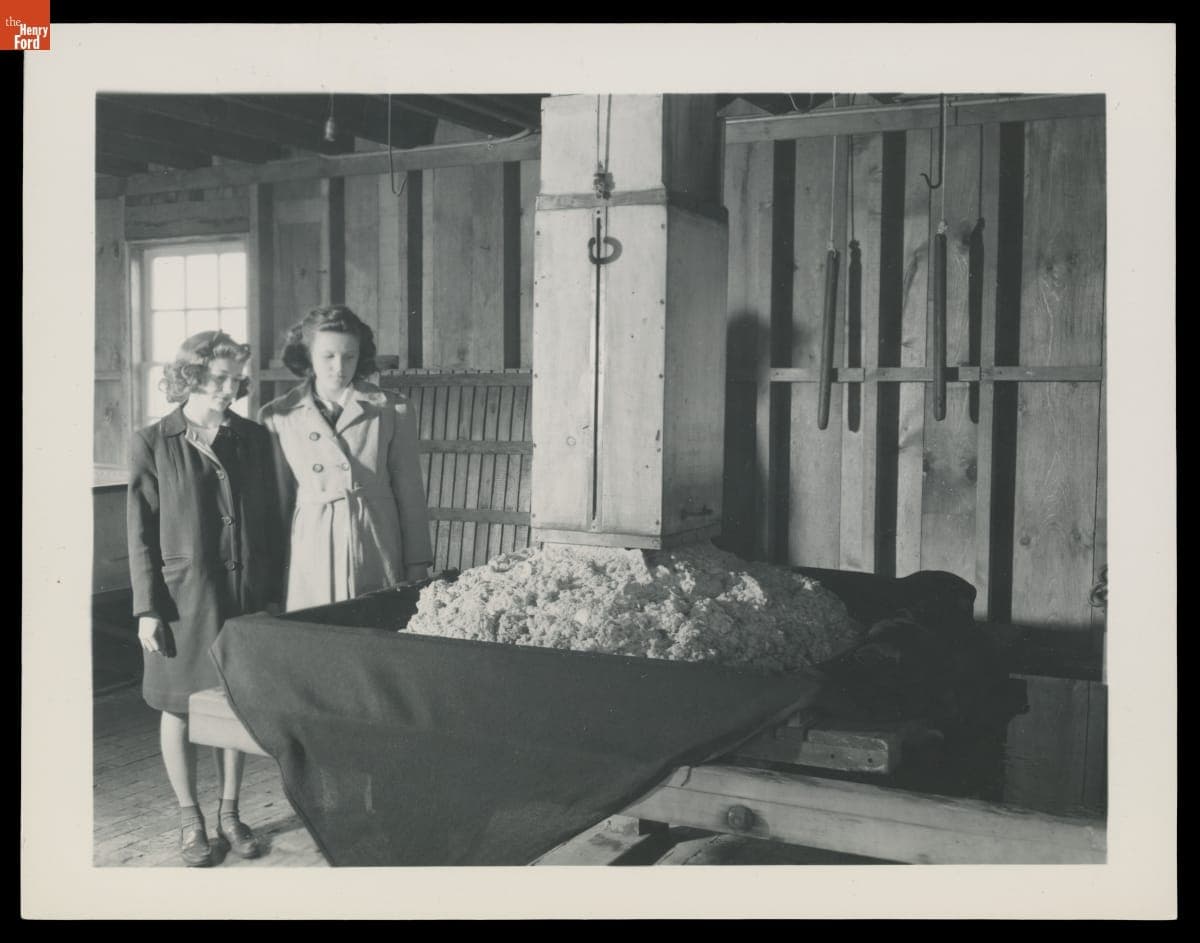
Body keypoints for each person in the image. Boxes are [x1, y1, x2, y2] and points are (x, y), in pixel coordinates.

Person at [127, 331, 282, 867]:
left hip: (244, 596)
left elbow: (271, 521)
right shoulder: (153, 441)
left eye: (237, 379)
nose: (229, 389)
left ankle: (231, 814)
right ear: (190, 376)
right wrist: (147, 607)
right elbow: (140, 531)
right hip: (181, 599)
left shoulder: (253, 438)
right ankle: (191, 819)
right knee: (178, 706)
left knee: (234, 702)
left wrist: (275, 596)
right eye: (219, 379)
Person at [260, 305, 433, 611]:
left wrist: (417, 561)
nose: (339, 367)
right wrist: (273, 579)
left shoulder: (391, 409)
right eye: (328, 356)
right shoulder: (279, 416)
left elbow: (410, 491)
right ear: (308, 356)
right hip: (311, 547)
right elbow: (277, 503)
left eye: (349, 356)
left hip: (375, 539)